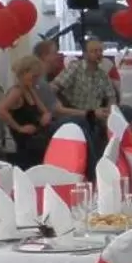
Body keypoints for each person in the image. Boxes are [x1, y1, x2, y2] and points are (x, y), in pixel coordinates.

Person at [51, 36, 119, 175]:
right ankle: (93, 170)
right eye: (94, 51)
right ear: (85, 53)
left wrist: (111, 111)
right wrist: (56, 104)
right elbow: (54, 87)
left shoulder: (101, 74)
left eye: (100, 51)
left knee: (126, 113)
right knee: (85, 123)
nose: (98, 54)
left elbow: (111, 96)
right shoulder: (75, 68)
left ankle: (117, 162)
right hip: (76, 112)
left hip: (97, 112)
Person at [0, 54, 55, 167]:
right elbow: (0, 109)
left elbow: (44, 110)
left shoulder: (30, 90)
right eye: (34, 76)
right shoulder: (16, 92)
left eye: (37, 77)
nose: (36, 80)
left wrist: (46, 116)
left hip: (36, 139)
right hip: (25, 145)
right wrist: (19, 128)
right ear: (24, 73)